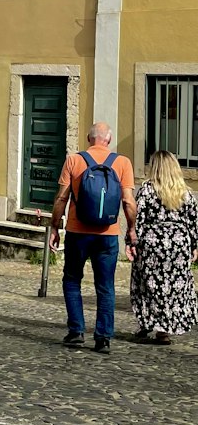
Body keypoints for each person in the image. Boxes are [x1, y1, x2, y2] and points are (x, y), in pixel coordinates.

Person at [49, 121, 136, 354]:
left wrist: (54, 227)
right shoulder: (122, 163)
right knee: (105, 286)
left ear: (89, 139)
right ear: (108, 140)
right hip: (107, 235)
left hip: (78, 232)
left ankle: (76, 331)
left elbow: (61, 198)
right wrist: (131, 230)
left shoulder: (74, 160)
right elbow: (128, 201)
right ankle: (103, 337)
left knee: (71, 279)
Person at [129, 151, 198, 344]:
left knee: (148, 285)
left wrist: (132, 242)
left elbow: (139, 218)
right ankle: (163, 330)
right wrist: (194, 245)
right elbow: (193, 221)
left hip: (153, 244)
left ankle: (148, 323)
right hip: (179, 244)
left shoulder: (147, 189)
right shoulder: (185, 192)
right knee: (173, 287)